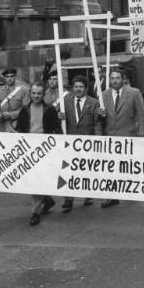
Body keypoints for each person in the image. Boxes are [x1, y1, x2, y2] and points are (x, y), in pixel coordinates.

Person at [98, 68, 144, 208]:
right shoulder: (103, 95)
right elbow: (101, 118)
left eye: (117, 78)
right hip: (111, 137)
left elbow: (141, 115)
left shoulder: (134, 93)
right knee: (110, 169)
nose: (115, 81)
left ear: (123, 79)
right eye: (112, 78)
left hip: (129, 136)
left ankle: (132, 190)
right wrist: (100, 114)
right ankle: (112, 196)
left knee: (128, 167)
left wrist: (142, 136)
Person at [15, 82, 62, 226]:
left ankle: (35, 213)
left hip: (45, 150)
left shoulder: (50, 109)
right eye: (34, 93)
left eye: (39, 93)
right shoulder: (24, 110)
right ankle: (47, 200)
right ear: (30, 94)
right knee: (33, 181)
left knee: (38, 181)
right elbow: (20, 130)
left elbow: (57, 130)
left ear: (43, 95)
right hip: (30, 151)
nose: (36, 96)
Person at [59, 75, 102, 212]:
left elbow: (97, 123)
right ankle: (68, 200)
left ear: (86, 88)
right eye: (76, 87)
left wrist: (97, 140)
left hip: (87, 143)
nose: (78, 89)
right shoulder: (65, 101)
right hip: (70, 143)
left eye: (81, 87)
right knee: (69, 171)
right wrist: (59, 117)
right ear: (72, 88)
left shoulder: (94, 102)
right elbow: (59, 120)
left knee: (86, 170)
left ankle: (88, 196)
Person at [0, 67, 29, 132]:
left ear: (15, 77)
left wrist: (10, 115)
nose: (9, 79)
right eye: (7, 77)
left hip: (17, 123)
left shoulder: (23, 90)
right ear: (4, 78)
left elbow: (25, 110)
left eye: (12, 76)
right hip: (3, 125)